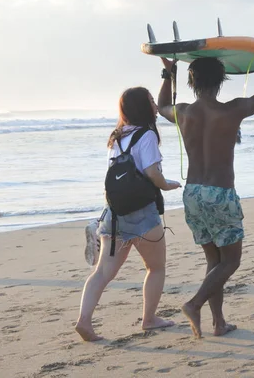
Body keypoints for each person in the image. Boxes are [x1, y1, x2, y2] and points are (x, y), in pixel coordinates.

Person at [157, 40, 254, 338]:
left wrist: (168, 75)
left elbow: (160, 107)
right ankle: (195, 304)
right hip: (220, 193)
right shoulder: (232, 110)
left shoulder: (183, 112)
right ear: (222, 80)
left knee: (214, 262)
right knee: (231, 261)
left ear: (191, 81)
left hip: (193, 194)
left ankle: (219, 323)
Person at [75, 87, 181, 342]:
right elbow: (152, 173)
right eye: (152, 101)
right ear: (143, 107)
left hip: (114, 213)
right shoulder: (146, 136)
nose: (156, 104)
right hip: (142, 213)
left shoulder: (116, 136)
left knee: (101, 273)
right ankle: (150, 319)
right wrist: (168, 185)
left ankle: (84, 321)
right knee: (155, 268)